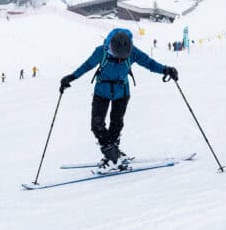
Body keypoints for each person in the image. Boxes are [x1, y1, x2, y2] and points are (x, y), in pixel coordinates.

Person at [59, 28, 178, 173]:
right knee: (97, 125)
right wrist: (71, 77)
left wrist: (166, 69)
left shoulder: (133, 51)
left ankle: (113, 157)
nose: (120, 59)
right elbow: (87, 66)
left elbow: (149, 63)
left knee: (116, 124)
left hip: (122, 92)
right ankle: (113, 156)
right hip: (101, 92)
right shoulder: (101, 51)